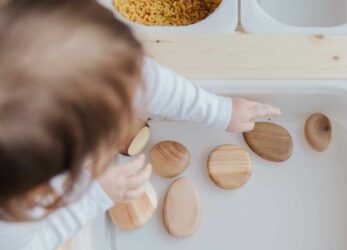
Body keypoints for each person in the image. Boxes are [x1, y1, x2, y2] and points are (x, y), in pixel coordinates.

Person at [0, 0, 281, 249]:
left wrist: (219, 111)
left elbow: (138, 79)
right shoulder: (14, 220)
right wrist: (93, 195)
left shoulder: (54, 54)